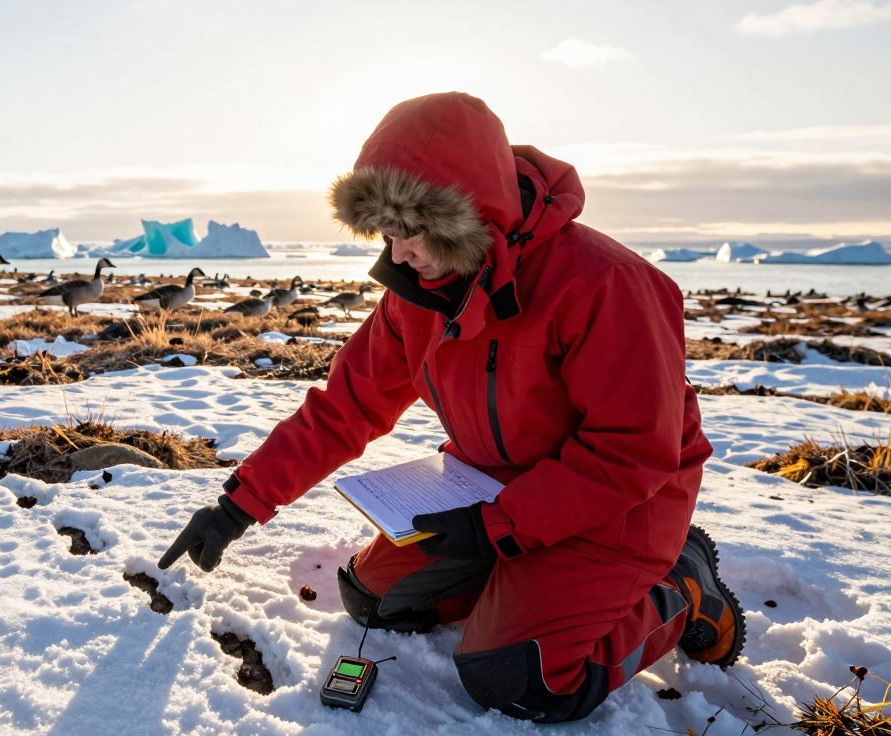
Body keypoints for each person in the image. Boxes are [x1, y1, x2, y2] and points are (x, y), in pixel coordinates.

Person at [157, 91, 746, 723]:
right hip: (488, 492)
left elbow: (633, 453)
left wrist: (499, 527)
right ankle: (521, 586)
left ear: (469, 213)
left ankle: (682, 590)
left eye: (412, 230)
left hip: (619, 504)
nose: (397, 253)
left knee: (525, 679)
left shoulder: (606, 284)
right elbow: (344, 408)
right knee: (373, 599)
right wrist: (238, 505)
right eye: (386, 232)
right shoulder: (418, 295)